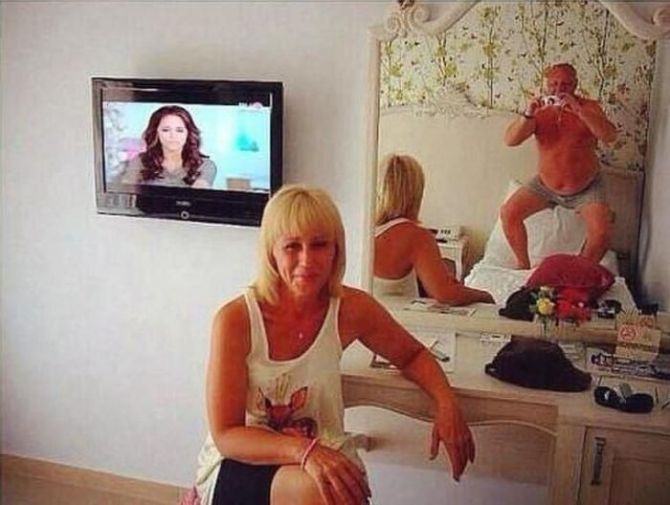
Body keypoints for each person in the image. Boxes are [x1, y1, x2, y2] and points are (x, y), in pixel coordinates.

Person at [189, 184, 475, 505]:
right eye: (292, 246)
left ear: (336, 250)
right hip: (245, 457)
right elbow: (227, 435)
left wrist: (446, 403)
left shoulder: (352, 308)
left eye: (319, 245)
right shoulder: (236, 319)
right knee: (324, 491)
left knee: (333, 488)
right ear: (271, 252)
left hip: (321, 449)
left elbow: (412, 354)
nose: (306, 259)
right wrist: (305, 451)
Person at [502, 63, 617, 269]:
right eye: (553, 84)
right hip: (545, 185)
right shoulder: (539, 111)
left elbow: (609, 135)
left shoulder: (589, 107)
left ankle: (578, 272)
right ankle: (523, 266)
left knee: (602, 233)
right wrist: (528, 114)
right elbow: (510, 140)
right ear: (546, 85)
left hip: (587, 186)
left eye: (565, 85)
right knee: (508, 213)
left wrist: (579, 110)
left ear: (575, 85)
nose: (558, 89)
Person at [374, 154, 494, 305]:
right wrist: (486, 296)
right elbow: (446, 294)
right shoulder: (416, 236)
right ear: (416, 192)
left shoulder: (363, 229)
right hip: (397, 318)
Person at [112, 105, 217, 188]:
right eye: (166, 130)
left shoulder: (205, 165)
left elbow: (198, 198)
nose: (173, 136)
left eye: (179, 130)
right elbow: (125, 194)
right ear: (156, 133)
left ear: (188, 133)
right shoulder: (140, 161)